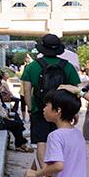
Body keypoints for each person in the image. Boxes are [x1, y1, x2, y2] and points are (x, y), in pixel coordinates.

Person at [20, 34, 82, 166]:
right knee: (60, 141)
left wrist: (31, 109)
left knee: (41, 142)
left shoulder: (32, 67)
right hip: (62, 110)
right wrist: (74, 112)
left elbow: (26, 91)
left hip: (40, 108)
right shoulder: (68, 66)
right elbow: (75, 90)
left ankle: (45, 175)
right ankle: (57, 172)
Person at [0, 78, 32, 152]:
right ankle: (21, 141)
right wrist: (8, 118)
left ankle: (21, 143)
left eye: (0, 86)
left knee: (15, 125)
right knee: (17, 124)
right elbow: (1, 112)